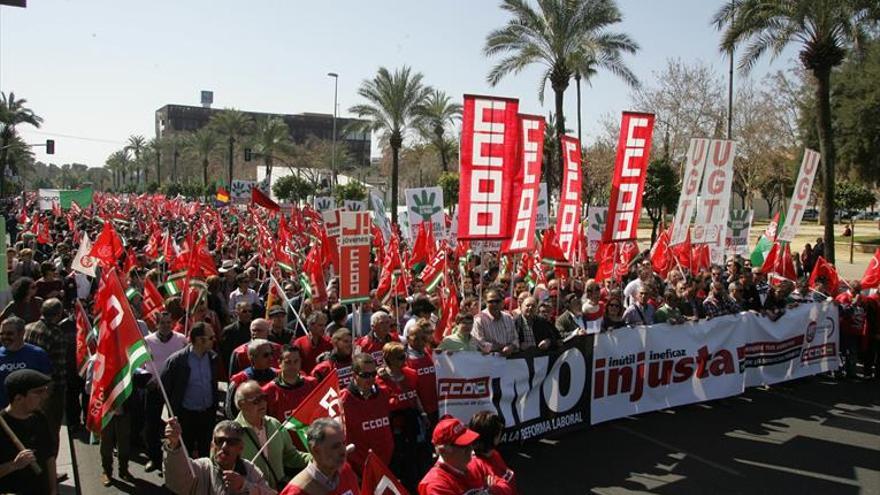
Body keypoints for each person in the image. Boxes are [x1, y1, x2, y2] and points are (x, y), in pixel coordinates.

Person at [163, 417, 275, 495]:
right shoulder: (202, 467)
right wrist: (174, 444)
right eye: (219, 441)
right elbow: (176, 480)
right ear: (212, 444)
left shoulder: (250, 470)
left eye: (231, 442)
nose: (224, 446)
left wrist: (244, 485)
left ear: (240, 448)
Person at [234, 380, 310, 490]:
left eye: (264, 398)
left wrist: (315, 458)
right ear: (242, 404)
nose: (262, 403)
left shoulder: (274, 424)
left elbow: (291, 456)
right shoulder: (233, 433)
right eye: (256, 401)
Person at [377, 342, 431, 491]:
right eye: (400, 357)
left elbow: (415, 396)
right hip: (394, 427)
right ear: (390, 359)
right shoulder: (379, 379)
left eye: (405, 355)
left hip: (413, 423)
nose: (404, 359)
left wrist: (423, 413)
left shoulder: (411, 374)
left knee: (417, 459)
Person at [161, 322, 219, 458]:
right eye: (210, 337)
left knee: (206, 452)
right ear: (199, 340)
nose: (213, 340)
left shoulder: (212, 358)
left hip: (207, 415)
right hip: (186, 417)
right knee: (184, 453)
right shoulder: (177, 361)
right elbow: (166, 389)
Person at [142, 310, 187, 474]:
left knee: (176, 425)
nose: (166, 326)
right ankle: (154, 458)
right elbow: (139, 367)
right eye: (163, 323)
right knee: (152, 425)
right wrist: (149, 381)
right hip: (155, 389)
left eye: (169, 323)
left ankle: (176, 458)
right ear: (156, 324)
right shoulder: (147, 341)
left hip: (175, 390)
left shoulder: (181, 339)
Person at [0, 369, 57, 495]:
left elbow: (49, 457)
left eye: (45, 390)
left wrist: (53, 490)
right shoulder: (2, 425)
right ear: (19, 398)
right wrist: (14, 465)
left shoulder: (39, 417)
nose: (45, 396)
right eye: (39, 392)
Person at [418, 416, 504, 495]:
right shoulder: (435, 484)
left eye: (470, 443)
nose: (470, 449)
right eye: (464, 446)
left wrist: (493, 491)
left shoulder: (475, 463)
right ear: (443, 450)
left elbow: (505, 485)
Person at [339, 353, 393, 477]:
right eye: (365, 375)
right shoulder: (343, 400)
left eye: (373, 374)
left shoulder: (384, 393)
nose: (370, 379)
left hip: (386, 465)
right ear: (354, 375)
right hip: (359, 470)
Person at [22, 298, 67, 438]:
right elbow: (58, 367)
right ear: (58, 314)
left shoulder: (27, 327)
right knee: (51, 429)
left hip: (27, 385)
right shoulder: (56, 333)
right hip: (49, 389)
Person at [279, 418, 360, 495]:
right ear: (315, 451)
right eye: (335, 446)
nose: (343, 451)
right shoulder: (297, 491)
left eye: (344, 443)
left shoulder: (346, 471)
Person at [263, 345, 317, 432]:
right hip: (283, 442)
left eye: (296, 361)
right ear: (280, 363)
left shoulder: (312, 384)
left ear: (300, 362)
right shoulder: (268, 391)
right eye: (288, 362)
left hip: (310, 439)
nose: (292, 366)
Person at [0, 317, 51, 408]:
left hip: (29, 415)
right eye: (1, 334)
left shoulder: (38, 354)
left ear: (21, 333)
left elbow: (48, 384)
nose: (4, 337)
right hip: (2, 415)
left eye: (9, 334)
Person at [227, 339, 279, 419]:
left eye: (271, 354)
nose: (271, 358)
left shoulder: (279, 375)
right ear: (252, 358)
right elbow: (230, 410)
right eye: (265, 355)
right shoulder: (240, 379)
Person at [468, 411, 517, 494]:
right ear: (492, 437)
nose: (500, 435)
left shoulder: (494, 454)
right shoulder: (474, 466)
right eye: (498, 433)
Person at [404, 320, 439, 422]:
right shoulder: (404, 359)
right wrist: (422, 412)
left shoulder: (431, 353)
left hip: (437, 407)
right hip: (420, 412)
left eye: (423, 338)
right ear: (408, 339)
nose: (420, 342)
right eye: (416, 339)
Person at [473, 290, 518, 356]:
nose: (494, 304)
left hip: (509, 360)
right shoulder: (479, 320)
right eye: (490, 302)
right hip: (489, 360)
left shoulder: (508, 318)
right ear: (486, 302)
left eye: (497, 301)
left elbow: (515, 339)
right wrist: (499, 347)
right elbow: (479, 343)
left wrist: (512, 346)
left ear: (502, 302)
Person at [220, 302, 254, 373]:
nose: (248, 313)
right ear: (237, 312)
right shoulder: (229, 330)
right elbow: (225, 355)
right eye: (244, 311)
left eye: (250, 311)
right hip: (236, 369)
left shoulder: (255, 329)